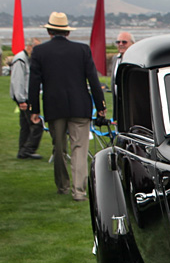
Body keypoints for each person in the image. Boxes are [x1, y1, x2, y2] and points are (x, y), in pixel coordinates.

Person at [28, 12, 107, 202]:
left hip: (54, 108)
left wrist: (34, 110)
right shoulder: (82, 50)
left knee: (59, 149)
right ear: (67, 32)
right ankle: (79, 191)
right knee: (79, 149)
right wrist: (100, 104)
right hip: (80, 106)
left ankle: (63, 185)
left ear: (49, 31)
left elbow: (33, 83)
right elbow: (93, 80)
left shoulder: (39, 52)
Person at [9, 38, 44, 159]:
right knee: (37, 125)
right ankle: (28, 150)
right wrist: (21, 100)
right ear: (29, 47)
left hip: (25, 96)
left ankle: (22, 150)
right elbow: (17, 80)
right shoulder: (20, 60)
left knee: (25, 126)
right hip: (24, 98)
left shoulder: (26, 59)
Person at [109, 31, 134, 110]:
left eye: (124, 42)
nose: (121, 44)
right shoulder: (115, 59)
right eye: (118, 42)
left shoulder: (136, 60)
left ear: (132, 44)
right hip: (118, 103)